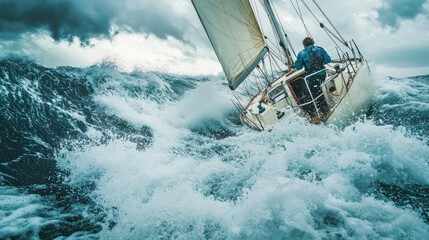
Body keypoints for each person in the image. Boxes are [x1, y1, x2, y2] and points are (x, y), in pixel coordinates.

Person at [294, 37, 331, 119]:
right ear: (313, 43)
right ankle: (324, 110)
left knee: (306, 93)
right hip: (322, 75)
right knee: (317, 89)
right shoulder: (320, 49)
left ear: (304, 45)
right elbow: (328, 60)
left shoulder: (302, 53)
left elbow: (298, 67)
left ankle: (316, 115)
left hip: (312, 77)